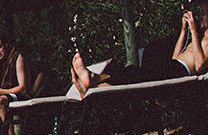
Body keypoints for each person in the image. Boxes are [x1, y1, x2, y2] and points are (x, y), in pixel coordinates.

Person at [70, 7, 208, 95]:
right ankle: (90, 88)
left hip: (181, 72)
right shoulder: (201, 39)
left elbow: (200, 66)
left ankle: (96, 78)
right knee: (133, 80)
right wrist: (184, 31)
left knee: (135, 74)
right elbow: (176, 57)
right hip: (174, 67)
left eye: (203, 13)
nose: (199, 16)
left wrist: (193, 30)